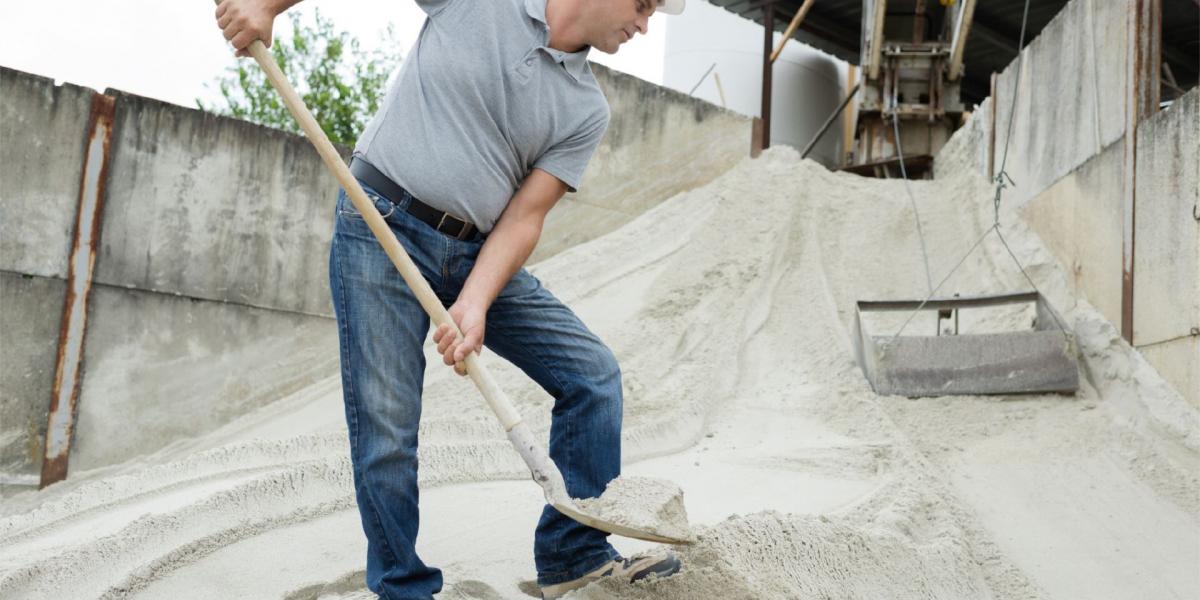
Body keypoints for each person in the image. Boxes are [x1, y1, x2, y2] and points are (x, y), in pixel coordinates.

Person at [214, 0, 687, 598]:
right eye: (644, 4)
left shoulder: (585, 109)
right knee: (386, 425)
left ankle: (574, 557)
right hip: (378, 224)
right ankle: (403, 586)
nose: (645, 24)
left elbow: (523, 217)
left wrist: (476, 302)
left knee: (592, 376)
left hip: (476, 253)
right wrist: (265, 6)